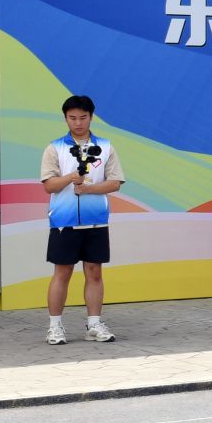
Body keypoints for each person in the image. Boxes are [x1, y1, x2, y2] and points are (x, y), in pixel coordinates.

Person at [38, 94, 123, 345]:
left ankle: (94, 324)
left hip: (96, 220)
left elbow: (115, 182)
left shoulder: (105, 147)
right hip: (64, 222)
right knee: (62, 272)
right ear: (65, 118)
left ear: (91, 117)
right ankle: (55, 327)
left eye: (83, 117)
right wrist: (71, 177)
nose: (78, 123)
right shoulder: (55, 148)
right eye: (72, 118)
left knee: (94, 272)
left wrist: (89, 189)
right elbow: (49, 185)